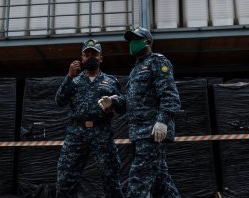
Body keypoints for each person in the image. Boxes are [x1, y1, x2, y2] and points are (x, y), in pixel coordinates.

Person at [98, 27, 181, 198]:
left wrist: (163, 120)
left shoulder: (158, 62)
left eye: (137, 39)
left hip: (152, 132)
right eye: (131, 40)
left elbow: (170, 95)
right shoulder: (136, 69)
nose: (132, 44)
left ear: (148, 42)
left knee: (138, 181)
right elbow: (130, 102)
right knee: (161, 184)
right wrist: (113, 101)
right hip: (138, 134)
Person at [55, 39, 124, 198]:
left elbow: (124, 105)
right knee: (65, 179)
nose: (91, 57)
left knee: (111, 178)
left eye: (94, 54)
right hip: (76, 134)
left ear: (101, 58)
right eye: (87, 54)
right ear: (82, 58)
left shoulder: (110, 81)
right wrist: (69, 76)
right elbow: (59, 101)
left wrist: (113, 101)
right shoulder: (74, 80)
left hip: (102, 133)